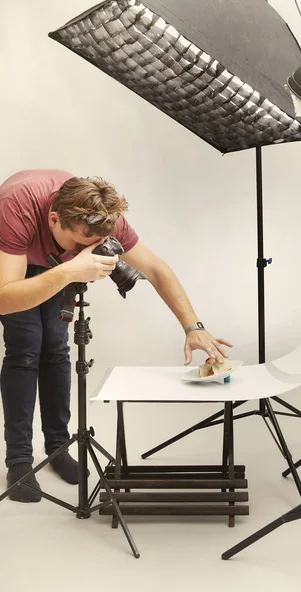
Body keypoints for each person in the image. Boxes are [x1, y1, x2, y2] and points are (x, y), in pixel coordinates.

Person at [0, 169, 233, 502]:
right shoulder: (16, 206)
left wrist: (192, 326)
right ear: (54, 219)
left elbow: (156, 268)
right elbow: (5, 296)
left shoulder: (103, 218)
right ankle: (19, 460)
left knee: (56, 349)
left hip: (55, 263)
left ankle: (57, 448)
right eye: (83, 245)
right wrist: (69, 270)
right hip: (9, 260)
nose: (93, 251)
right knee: (25, 350)